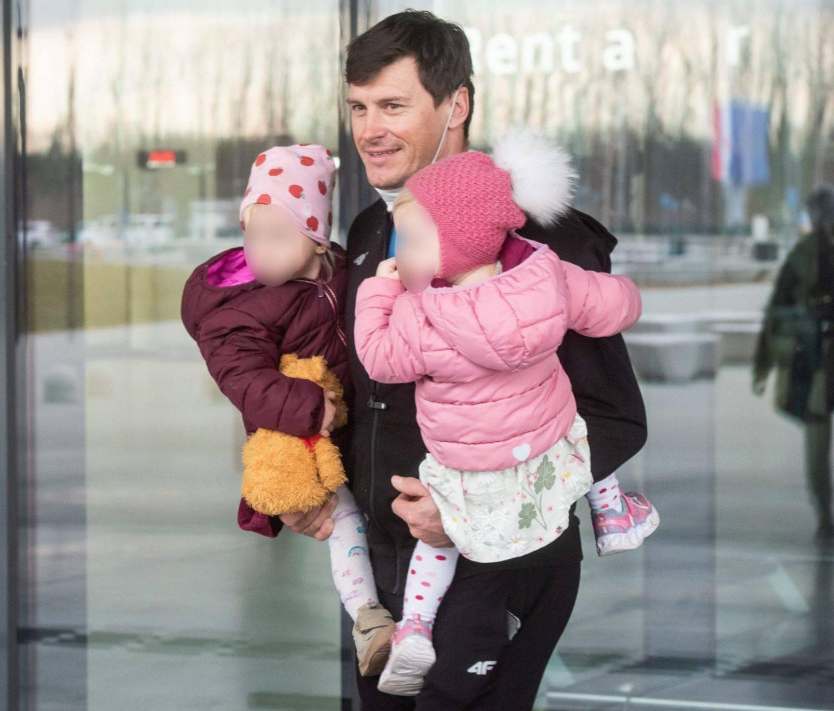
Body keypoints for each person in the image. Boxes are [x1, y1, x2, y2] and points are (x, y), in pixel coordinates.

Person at [278, 11, 650, 709]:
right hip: (387, 572)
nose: (369, 129)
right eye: (358, 107)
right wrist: (306, 483)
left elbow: (615, 419)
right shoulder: (371, 228)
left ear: (457, 105)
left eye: (393, 105)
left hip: (500, 564)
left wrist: (476, 510)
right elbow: (360, 387)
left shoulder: (539, 241)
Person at [354, 137, 651, 696]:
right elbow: (611, 305)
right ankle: (614, 513)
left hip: (466, 473)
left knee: (438, 544)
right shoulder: (548, 276)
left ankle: (415, 623)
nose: (402, 253)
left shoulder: (421, 315)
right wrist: (629, 295)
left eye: (412, 242)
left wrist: (378, 291)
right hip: (542, 442)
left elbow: (377, 356)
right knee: (573, 438)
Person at [180, 144, 398, 679]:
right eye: (252, 234)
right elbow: (241, 377)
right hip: (301, 439)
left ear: (317, 239)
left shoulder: (343, 270)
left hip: (361, 435)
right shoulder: (239, 306)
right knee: (341, 517)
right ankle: (367, 616)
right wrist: (306, 405)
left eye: (278, 236)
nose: (260, 251)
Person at [753, 184, 834, 542]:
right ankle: (824, 513)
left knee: (817, 437)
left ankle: (824, 514)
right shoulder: (805, 253)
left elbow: (777, 308)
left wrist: (763, 365)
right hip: (818, 360)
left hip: (819, 360)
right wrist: (763, 364)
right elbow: (779, 309)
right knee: (817, 437)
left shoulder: (805, 252)